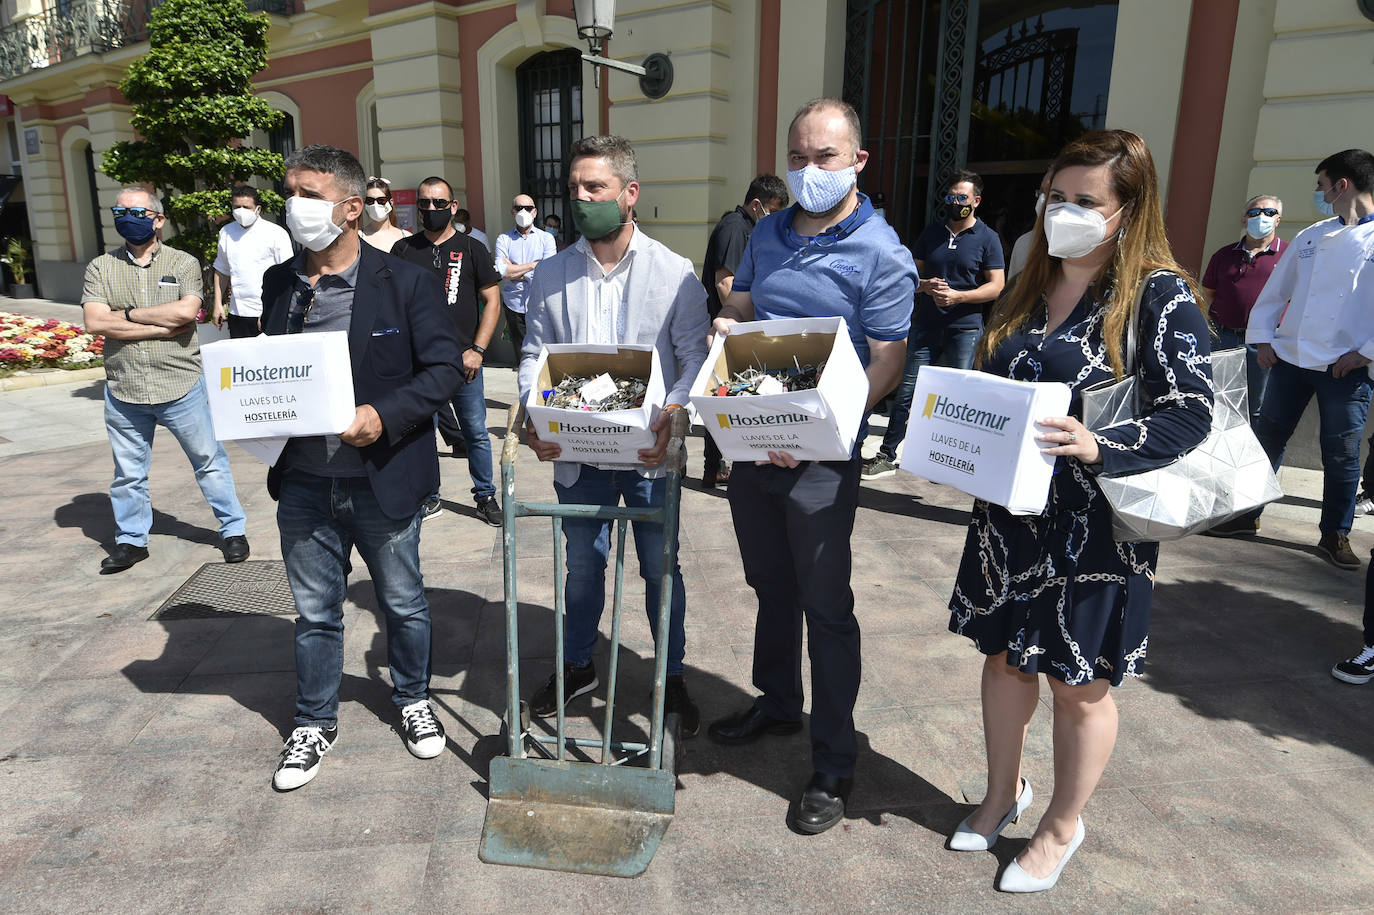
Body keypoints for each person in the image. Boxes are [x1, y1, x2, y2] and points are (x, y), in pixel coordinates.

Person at [946, 129, 1212, 893]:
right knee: (1002, 660)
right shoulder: (1032, 280)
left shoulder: (1158, 294)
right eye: (1055, 197)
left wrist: (1103, 443)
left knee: (1077, 682)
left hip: (1094, 529)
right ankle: (1002, 794)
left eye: (1086, 201)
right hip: (1008, 517)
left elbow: (1194, 408)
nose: (1065, 212)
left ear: (1127, 210)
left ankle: (1063, 823)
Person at [707, 99, 917, 834]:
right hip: (753, 431)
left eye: (824, 157)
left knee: (826, 605)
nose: (808, 170)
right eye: (797, 156)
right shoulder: (768, 229)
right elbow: (741, 299)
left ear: (858, 161)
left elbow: (888, 362)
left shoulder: (883, 253)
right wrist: (726, 320)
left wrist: (822, 424)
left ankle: (834, 761)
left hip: (820, 452)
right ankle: (776, 701)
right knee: (770, 583)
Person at [260, 145, 462, 791]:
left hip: (383, 475)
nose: (295, 206)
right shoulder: (279, 283)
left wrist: (385, 412)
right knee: (315, 612)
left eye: (309, 194)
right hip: (303, 482)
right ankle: (314, 720)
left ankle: (411, 699)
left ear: (351, 207)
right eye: (289, 191)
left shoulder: (405, 281)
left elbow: (444, 369)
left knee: (402, 602)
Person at [518, 134, 709, 736]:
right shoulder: (549, 274)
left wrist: (673, 416)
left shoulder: (675, 273)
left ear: (629, 194)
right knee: (582, 565)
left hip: (651, 454)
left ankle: (669, 674)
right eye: (574, 188)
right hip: (578, 455)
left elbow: (693, 359)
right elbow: (533, 355)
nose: (580, 198)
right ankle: (578, 664)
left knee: (661, 570)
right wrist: (534, 412)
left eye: (593, 187)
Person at [1211, 149, 1374, 572]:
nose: (1318, 194)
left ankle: (1334, 533)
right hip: (1291, 360)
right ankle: (1246, 515)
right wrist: (1264, 339)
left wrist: (1365, 353)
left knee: (1340, 454)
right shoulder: (1312, 236)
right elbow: (1275, 294)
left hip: (1345, 369)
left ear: (1342, 186)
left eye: (1321, 186)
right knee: (1267, 438)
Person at [80, 188, 250, 575]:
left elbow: (187, 312)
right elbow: (95, 322)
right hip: (125, 387)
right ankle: (131, 540)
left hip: (181, 384)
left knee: (209, 461)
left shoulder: (184, 262)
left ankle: (232, 531)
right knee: (128, 473)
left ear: (158, 219)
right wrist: (158, 327)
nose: (126, 216)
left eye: (136, 211)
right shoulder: (100, 267)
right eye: (119, 210)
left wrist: (125, 316)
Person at [862, 169, 1005, 479]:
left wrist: (958, 297)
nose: (954, 203)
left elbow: (996, 286)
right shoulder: (932, 234)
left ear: (976, 201)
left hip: (964, 328)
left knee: (958, 400)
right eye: (950, 197)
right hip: (926, 325)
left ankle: (952, 461)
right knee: (907, 391)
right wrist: (926, 286)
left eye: (962, 198)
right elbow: (910, 276)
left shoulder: (987, 238)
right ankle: (887, 454)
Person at [390, 177, 504, 526]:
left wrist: (478, 350)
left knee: (475, 431)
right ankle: (429, 497)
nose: (430, 209)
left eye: (439, 203)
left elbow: (492, 300)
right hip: (420, 364)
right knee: (422, 434)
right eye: (424, 203)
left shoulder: (472, 249)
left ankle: (485, 496)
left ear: (453, 207)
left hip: (464, 362)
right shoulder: (404, 251)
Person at [698, 173, 789, 487]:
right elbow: (727, 284)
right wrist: (745, 329)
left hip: (733, 328)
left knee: (729, 397)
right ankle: (716, 465)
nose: (776, 218)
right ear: (757, 204)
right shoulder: (736, 228)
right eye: (774, 210)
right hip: (727, 329)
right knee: (724, 396)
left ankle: (719, 465)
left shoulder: (750, 228)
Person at [1200, 194, 1284, 422]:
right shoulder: (1224, 255)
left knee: (1256, 408)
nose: (1261, 218)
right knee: (1216, 400)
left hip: (1265, 344)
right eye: (1255, 213)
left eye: (1269, 213)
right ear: (1244, 220)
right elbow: (1209, 292)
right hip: (1223, 338)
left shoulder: (1288, 254)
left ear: (1278, 220)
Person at [211, 184, 294, 339]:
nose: (241, 211)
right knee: (241, 361)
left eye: (246, 207)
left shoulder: (275, 233)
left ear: (258, 209)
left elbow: (287, 274)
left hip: (267, 311)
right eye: (237, 207)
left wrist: (273, 311)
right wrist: (218, 304)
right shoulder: (226, 232)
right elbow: (222, 270)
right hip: (238, 312)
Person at [494, 193, 557, 356]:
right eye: (519, 208)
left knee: (542, 356)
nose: (523, 212)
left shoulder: (547, 238)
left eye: (527, 208)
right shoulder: (504, 239)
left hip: (540, 305)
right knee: (521, 357)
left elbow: (548, 272)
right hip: (513, 304)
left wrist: (514, 271)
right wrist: (535, 265)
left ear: (535, 212)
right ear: (512, 212)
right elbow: (502, 271)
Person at [360, 176, 411, 252]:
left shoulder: (406, 237)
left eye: (381, 200)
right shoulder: (358, 237)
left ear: (391, 202)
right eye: (370, 200)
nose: (375, 205)